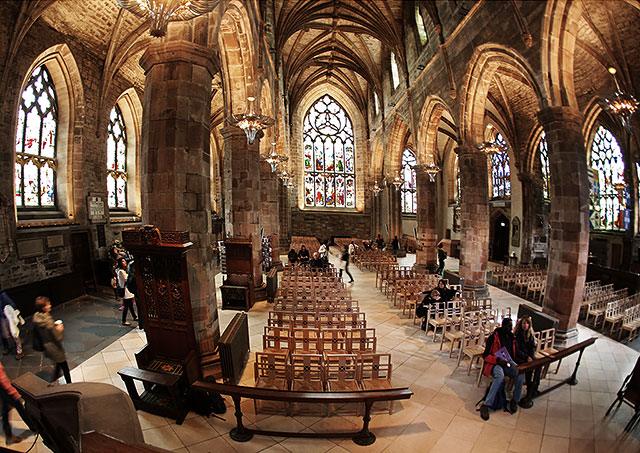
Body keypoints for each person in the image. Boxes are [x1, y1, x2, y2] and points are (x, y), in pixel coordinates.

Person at [479, 318, 524, 420]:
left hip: (508, 361)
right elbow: (485, 356)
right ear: (503, 326)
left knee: (520, 373)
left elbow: (515, 353)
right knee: (500, 377)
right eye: (508, 326)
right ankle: (487, 405)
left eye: (511, 326)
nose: (510, 328)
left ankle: (515, 400)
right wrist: (498, 360)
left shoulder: (512, 337)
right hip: (496, 363)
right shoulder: (493, 338)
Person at [33, 296, 71, 384]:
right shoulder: (48, 322)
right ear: (44, 307)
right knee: (64, 367)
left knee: (58, 364)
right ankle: (69, 384)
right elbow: (58, 337)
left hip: (47, 347)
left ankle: (54, 379)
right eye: (48, 304)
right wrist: (59, 329)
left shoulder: (37, 317)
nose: (50, 305)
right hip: (55, 348)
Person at [0, 362, 32, 445]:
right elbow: (2, 378)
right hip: (4, 388)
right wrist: (12, 391)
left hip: (1, 389)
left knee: (5, 409)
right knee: (19, 407)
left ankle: (8, 434)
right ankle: (34, 427)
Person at [514, 316, 539, 396]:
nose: (525, 325)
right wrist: (526, 357)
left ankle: (535, 387)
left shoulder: (530, 334)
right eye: (524, 323)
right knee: (529, 369)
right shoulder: (517, 334)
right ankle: (529, 389)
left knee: (539, 366)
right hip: (520, 357)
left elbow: (532, 347)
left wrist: (531, 356)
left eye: (527, 323)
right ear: (521, 324)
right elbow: (517, 351)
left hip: (529, 356)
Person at [0, 290, 23, 360]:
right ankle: (6, 347)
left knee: (14, 334)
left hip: (7, 317)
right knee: (3, 334)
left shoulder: (2, 295)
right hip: (1, 318)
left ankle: (20, 351)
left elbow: (11, 304)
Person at [118, 258, 138, 326]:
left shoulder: (124, 270)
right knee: (126, 306)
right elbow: (126, 278)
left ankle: (134, 316)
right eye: (122, 261)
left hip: (128, 290)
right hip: (125, 290)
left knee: (130, 305)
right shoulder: (121, 271)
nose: (124, 262)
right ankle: (124, 320)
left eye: (124, 261)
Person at [127, 261, 143, 330]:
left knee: (139, 309)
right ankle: (142, 324)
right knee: (141, 309)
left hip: (136, 292)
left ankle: (141, 325)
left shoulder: (130, 275)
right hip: (139, 292)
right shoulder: (135, 277)